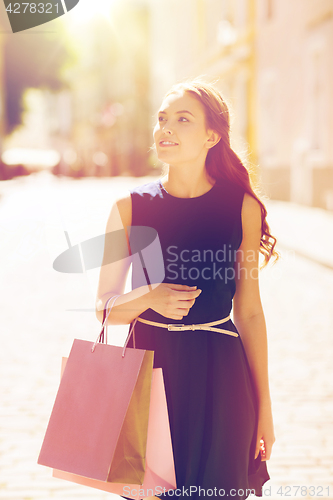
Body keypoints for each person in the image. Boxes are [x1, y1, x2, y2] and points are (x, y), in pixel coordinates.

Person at [95, 80, 277, 500]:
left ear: (212, 136)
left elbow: (249, 312)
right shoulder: (129, 208)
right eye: (162, 118)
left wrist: (264, 407)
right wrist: (148, 297)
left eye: (182, 119)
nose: (166, 128)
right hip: (149, 377)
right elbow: (104, 309)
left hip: (223, 379)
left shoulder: (241, 208)